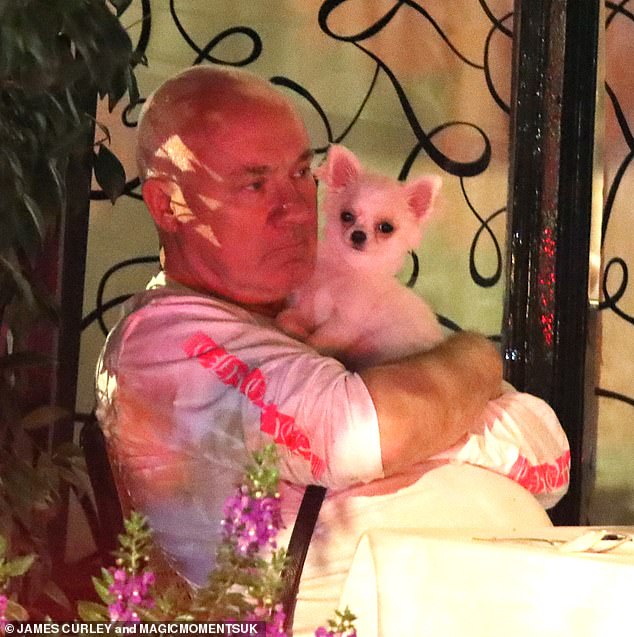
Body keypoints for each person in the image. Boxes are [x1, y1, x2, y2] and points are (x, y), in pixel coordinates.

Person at [95, 66, 567, 635]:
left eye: (300, 173)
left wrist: (428, 425)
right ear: (168, 205)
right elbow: (363, 431)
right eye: (254, 183)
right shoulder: (166, 338)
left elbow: (548, 449)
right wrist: (475, 368)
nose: (295, 207)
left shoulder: (318, 308)